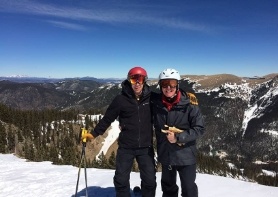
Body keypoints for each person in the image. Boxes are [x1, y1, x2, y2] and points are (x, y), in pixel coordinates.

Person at [82, 66, 157, 197]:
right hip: (126, 146)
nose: (137, 82)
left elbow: (169, 99)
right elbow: (107, 118)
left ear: (145, 81)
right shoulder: (120, 100)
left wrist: (183, 97)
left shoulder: (152, 98)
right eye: (134, 79)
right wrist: (93, 134)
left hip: (146, 147)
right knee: (121, 180)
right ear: (129, 81)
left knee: (150, 181)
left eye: (140, 79)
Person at [151, 68, 205, 197]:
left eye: (172, 84)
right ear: (160, 86)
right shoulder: (156, 103)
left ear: (177, 85)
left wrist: (178, 137)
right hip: (166, 154)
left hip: (185, 156)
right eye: (164, 84)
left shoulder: (190, 105)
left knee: (188, 189)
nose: (168, 87)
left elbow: (200, 128)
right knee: (168, 189)